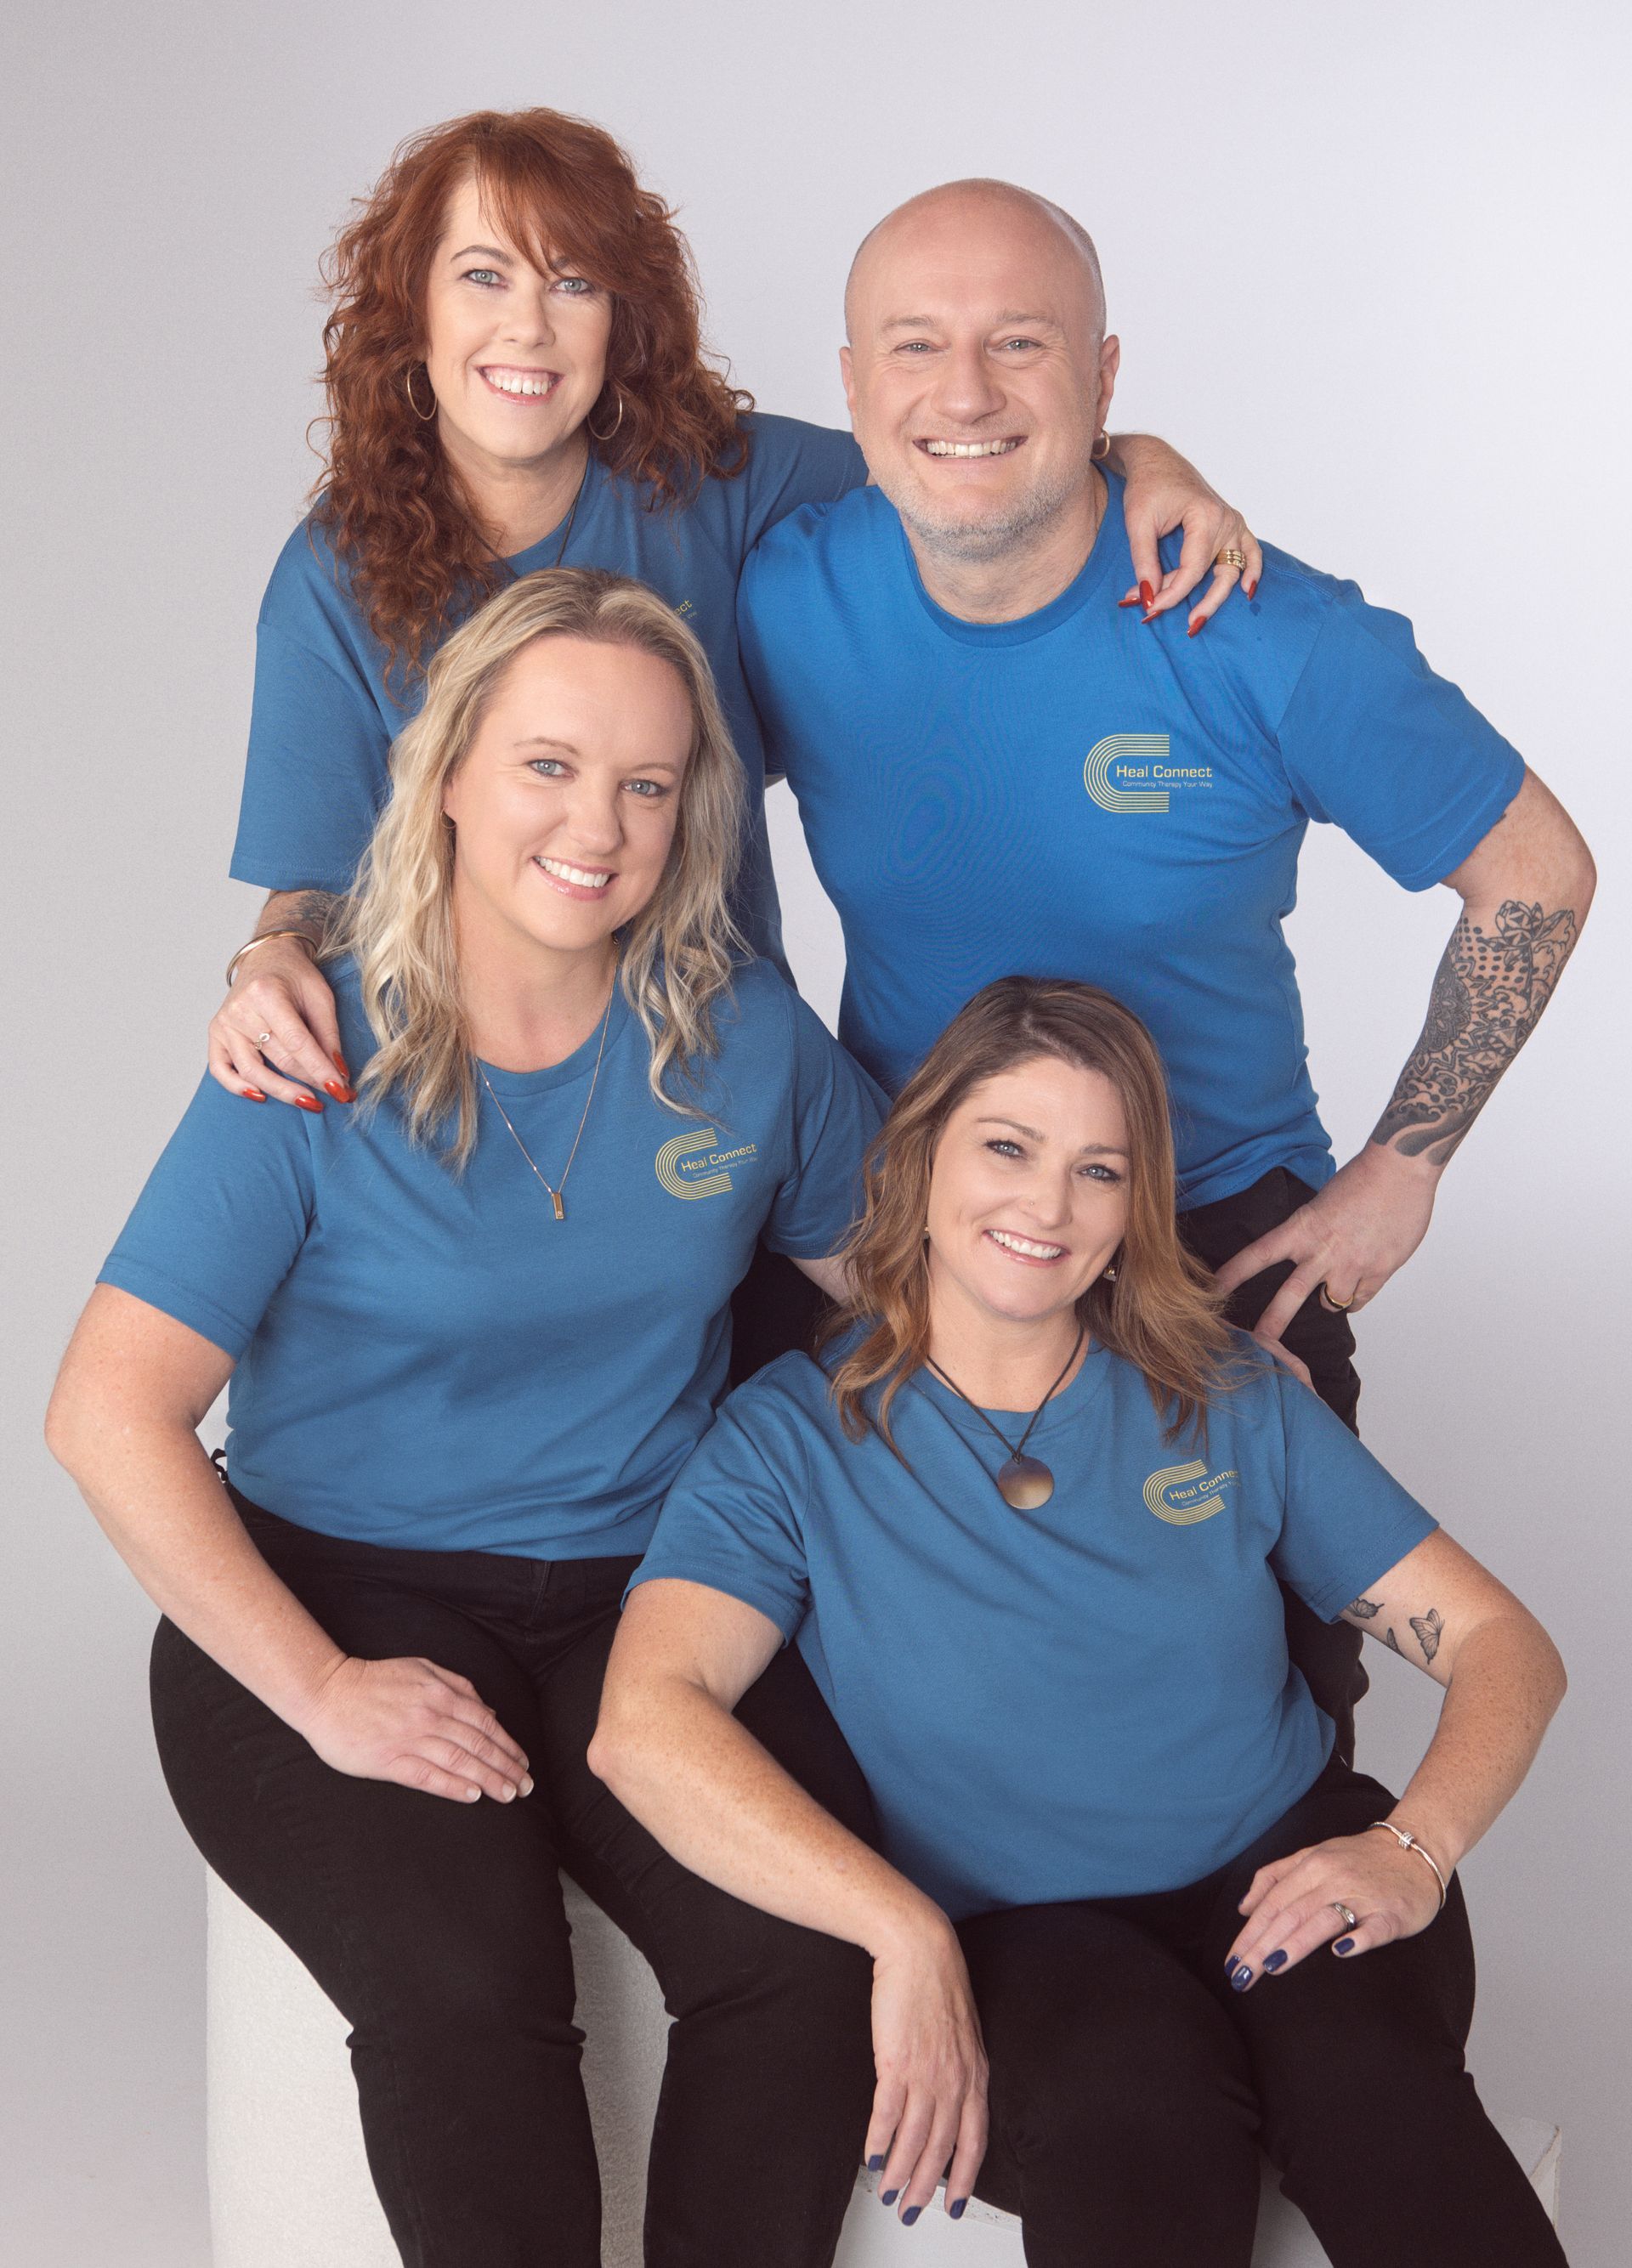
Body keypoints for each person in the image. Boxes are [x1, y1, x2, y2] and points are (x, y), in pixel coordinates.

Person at [46, 571, 892, 2268]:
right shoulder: (308, 1041)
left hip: (635, 1594)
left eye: (649, 785)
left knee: (807, 1952)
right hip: (330, 1588)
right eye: (551, 767)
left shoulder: (746, 1045)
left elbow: (923, 1302)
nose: (601, 822)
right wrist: (325, 1689)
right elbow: (106, 1408)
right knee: (470, 1982)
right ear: (447, 774)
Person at [734, 175, 1595, 1748]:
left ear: (1110, 374)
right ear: (851, 386)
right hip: (903, 1224)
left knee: (1249, 1716)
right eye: (915, 346)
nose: (967, 392)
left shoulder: (1258, 627)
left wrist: (1404, 1167)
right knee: (869, 1708)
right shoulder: (785, 593)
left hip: (1211, 1233)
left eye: (1024, 343)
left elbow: (1535, 869)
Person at [592, 977, 1569, 2268]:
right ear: (919, 1156)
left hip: (1286, 1860)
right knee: (1142, 2122)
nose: (1046, 1206)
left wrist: (1412, 1846)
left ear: (1134, 1206)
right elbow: (643, 1727)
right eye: (1007, 1147)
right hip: (1025, 1938)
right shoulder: (790, 1435)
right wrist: (901, 1927)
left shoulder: (1223, 1394)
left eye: (1098, 1170)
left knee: (1375, 2093)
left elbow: (1506, 1643)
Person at [207, 108, 1248, 1117]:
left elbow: (961, 454)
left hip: (725, 1088)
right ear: (412, 311)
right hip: (476, 1103)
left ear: (621, 320)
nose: (527, 325)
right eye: (484, 276)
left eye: (574, 283)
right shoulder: (332, 576)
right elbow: (314, 881)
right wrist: (269, 957)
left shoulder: (715, 481)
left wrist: (1144, 456)